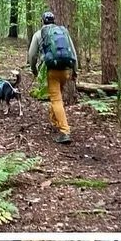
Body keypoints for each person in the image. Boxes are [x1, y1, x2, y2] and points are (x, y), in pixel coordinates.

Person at [25, 12, 78, 145]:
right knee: (57, 96)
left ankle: (65, 131)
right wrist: (75, 71)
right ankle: (55, 121)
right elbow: (73, 52)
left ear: (42, 21)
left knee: (56, 99)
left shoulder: (39, 34)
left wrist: (34, 69)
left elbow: (32, 55)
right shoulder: (63, 32)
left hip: (51, 71)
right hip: (65, 70)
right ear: (54, 21)